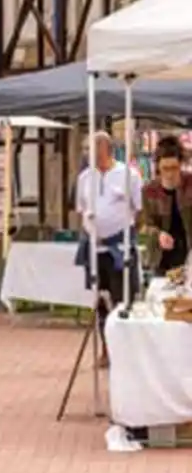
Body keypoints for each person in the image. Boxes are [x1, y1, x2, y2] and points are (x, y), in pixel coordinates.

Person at [75, 130, 143, 364]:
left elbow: (139, 210)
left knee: (122, 299)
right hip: (95, 248)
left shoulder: (129, 175)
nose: (88, 154)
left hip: (119, 247)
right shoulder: (85, 178)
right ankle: (106, 349)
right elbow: (81, 209)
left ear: (106, 149)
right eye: (86, 150)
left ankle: (125, 351)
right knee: (100, 300)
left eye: (91, 149)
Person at [143, 135, 192, 276]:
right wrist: (158, 235)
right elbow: (144, 225)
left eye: (174, 168)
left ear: (181, 164)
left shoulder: (190, 184)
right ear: (158, 166)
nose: (170, 174)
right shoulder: (149, 191)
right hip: (161, 258)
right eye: (165, 168)